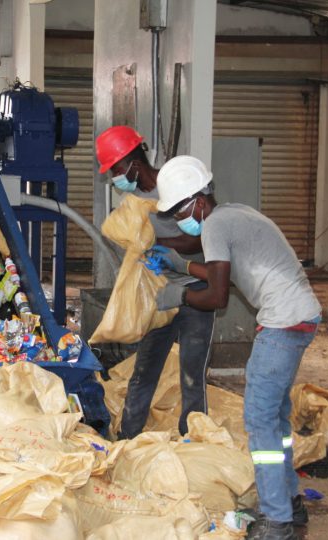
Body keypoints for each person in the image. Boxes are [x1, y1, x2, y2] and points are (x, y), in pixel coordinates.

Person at [153, 155, 322, 540]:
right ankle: (290, 503)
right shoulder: (232, 215)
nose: (179, 218)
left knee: (260, 420)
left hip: (282, 322)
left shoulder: (215, 225)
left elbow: (216, 296)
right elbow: (215, 266)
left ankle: (277, 521)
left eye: (179, 210)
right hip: (300, 315)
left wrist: (178, 293)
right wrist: (179, 261)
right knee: (276, 418)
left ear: (198, 201)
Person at [94, 126, 216, 438]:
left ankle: (193, 439)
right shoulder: (132, 202)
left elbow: (207, 235)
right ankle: (128, 438)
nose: (115, 178)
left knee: (192, 372)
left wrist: (169, 252)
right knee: (145, 368)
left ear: (133, 162)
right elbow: (133, 242)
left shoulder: (179, 183)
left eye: (117, 170)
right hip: (159, 294)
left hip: (194, 289)